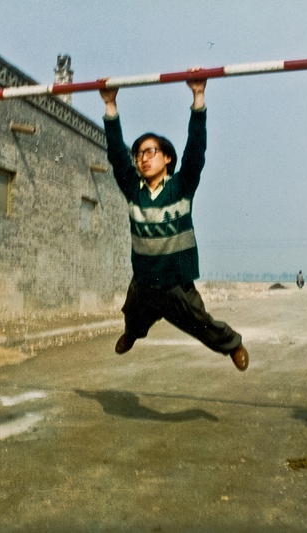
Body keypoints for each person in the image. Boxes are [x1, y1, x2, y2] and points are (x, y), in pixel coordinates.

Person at [99, 73, 249, 372]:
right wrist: (110, 104)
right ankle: (133, 333)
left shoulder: (181, 186)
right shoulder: (133, 190)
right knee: (133, 314)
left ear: (167, 158)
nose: (143, 159)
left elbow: (195, 150)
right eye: (139, 154)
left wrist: (198, 97)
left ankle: (233, 344)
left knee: (201, 323)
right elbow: (116, 155)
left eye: (150, 152)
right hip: (143, 279)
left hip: (176, 282)